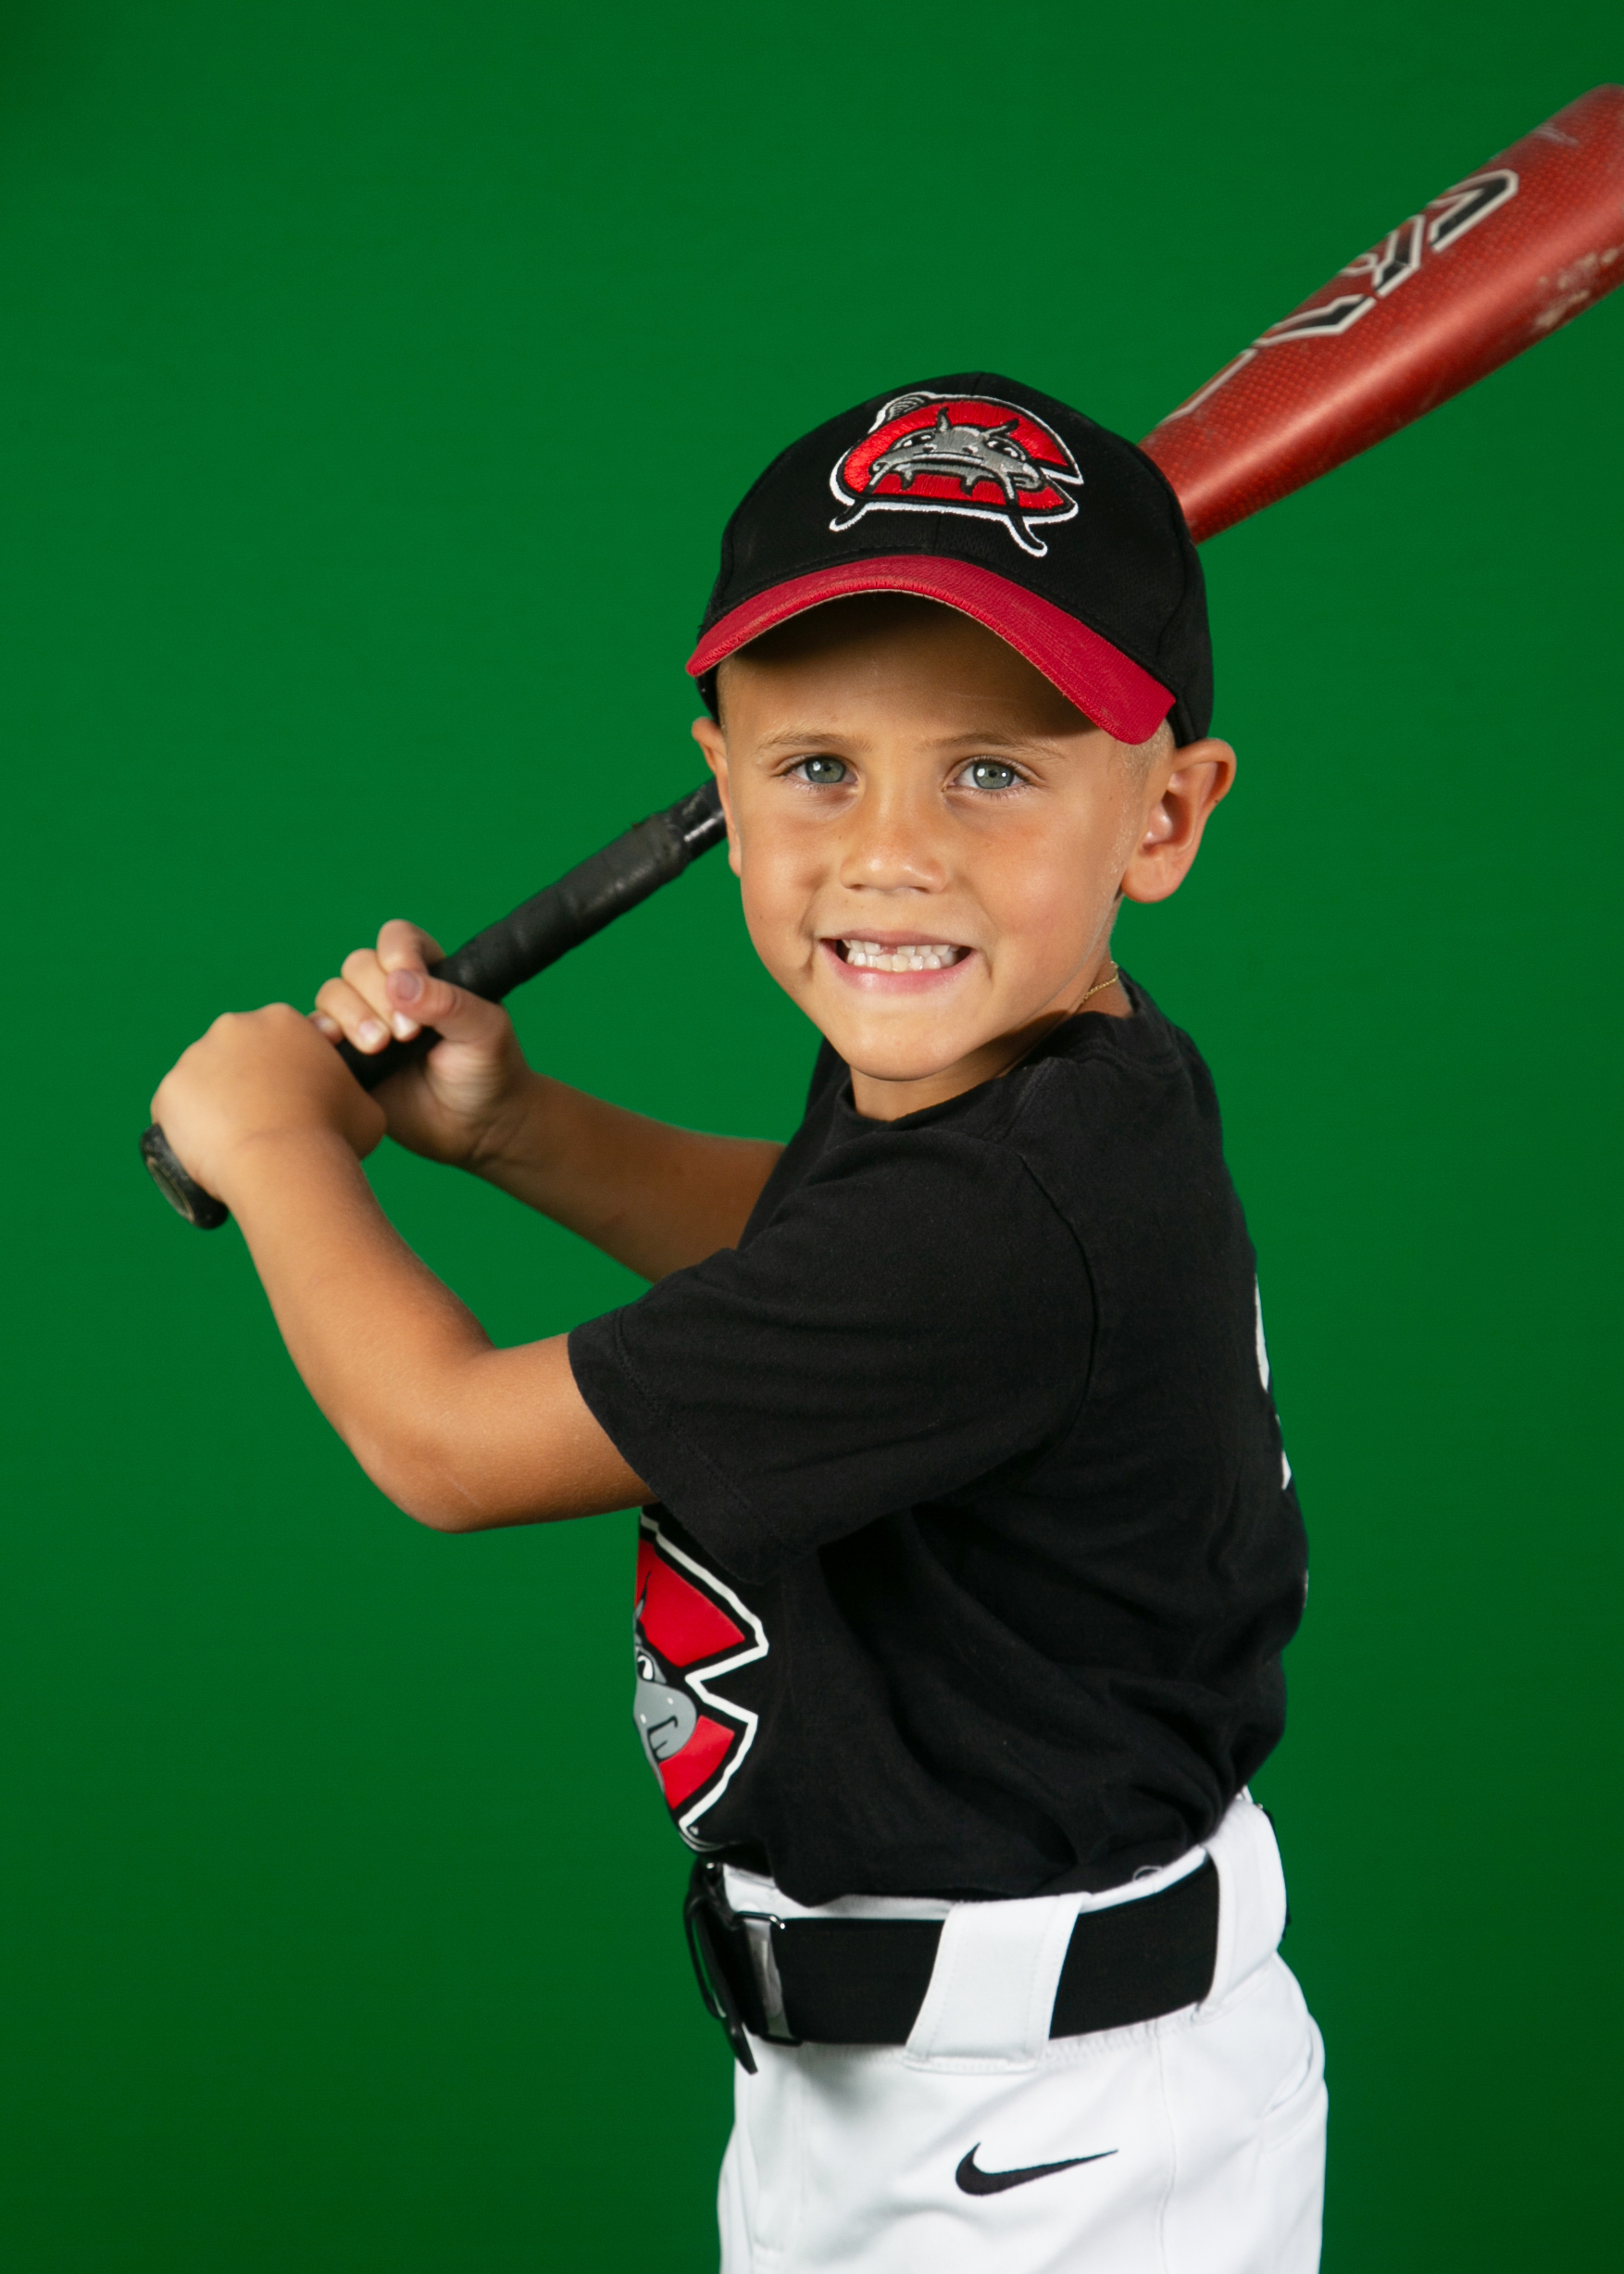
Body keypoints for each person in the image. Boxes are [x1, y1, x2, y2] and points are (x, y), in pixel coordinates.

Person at [152, 375, 1325, 2271]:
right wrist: (515, 1127)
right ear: (722, 781)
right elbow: (816, 1251)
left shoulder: (1001, 1218)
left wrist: (280, 1145)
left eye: (992, 770)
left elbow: (443, 1446)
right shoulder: (1042, 1092)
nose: (890, 849)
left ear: (1164, 813)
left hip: (1051, 2144)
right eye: (817, 769)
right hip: (921, 2090)